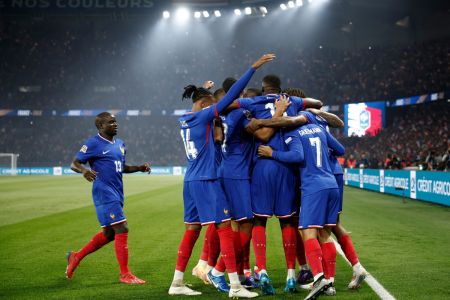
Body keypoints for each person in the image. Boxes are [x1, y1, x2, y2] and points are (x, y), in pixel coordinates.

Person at [168, 54, 274, 298]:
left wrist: (204, 91)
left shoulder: (184, 119)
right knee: (225, 228)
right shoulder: (205, 114)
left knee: (192, 229)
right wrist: (253, 68)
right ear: (206, 106)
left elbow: (201, 103)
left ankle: (177, 282)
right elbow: (230, 98)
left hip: (190, 180)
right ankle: (236, 287)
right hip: (207, 179)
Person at [235, 76, 322, 295]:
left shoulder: (254, 102)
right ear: (280, 88)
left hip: (263, 167)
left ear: (264, 89)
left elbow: (228, 104)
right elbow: (317, 103)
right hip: (286, 169)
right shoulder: (291, 101)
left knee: (259, 221)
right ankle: (291, 276)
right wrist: (297, 109)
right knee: (288, 223)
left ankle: (261, 270)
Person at [257, 117, 345, 300]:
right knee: (325, 234)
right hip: (331, 185)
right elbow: (340, 150)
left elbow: (297, 156)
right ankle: (330, 282)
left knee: (307, 231)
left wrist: (273, 153)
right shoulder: (318, 128)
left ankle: (319, 277)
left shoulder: (292, 133)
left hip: (314, 188)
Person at [66, 112, 150, 284]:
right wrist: (84, 171)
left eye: (115, 121)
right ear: (101, 126)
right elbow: (74, 163)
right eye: (111, 122)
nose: (115, 124)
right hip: (103, 192)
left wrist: (139, 167)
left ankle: (76, 256)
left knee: (109, 233)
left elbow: (122, 167)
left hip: (118, 192)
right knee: (122, 228)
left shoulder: (120, 144)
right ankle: (125, 274)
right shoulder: (93, 143)